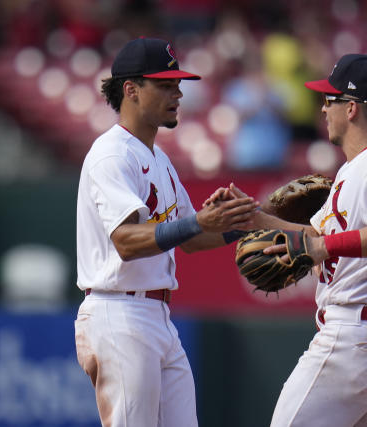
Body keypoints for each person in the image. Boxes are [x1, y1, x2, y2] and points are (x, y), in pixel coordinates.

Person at [213, 53, 367, 426]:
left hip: (357, 339)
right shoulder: (356, 167)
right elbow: (317, 236)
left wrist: (322, 246)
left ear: (353, 109)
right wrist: (255, 219)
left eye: (331, 99)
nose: (323, 108)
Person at [73, 37, 257, 427]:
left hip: (156, 315)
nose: (178, 93)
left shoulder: (159, 158)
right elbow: (125, 240)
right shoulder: (111, 154)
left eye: (178, 85)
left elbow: (192, 239)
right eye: (166, 84)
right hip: (119, 309)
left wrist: (241, 222)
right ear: (131, 90)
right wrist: (198, 222)